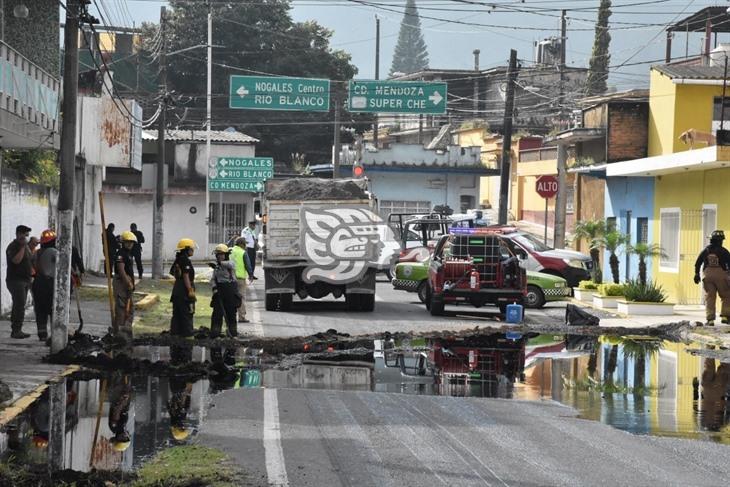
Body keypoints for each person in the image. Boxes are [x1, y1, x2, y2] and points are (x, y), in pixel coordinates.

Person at [694, 230, 730, 326]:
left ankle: (710, 320)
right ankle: (725, 317)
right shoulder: (725, 251)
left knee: (710, 297)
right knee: (726, 296)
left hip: (708, 276)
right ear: (721, 241)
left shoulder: (706, 250)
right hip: (722, 275)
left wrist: (696, 274)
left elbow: (698, 262)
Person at [5, 225, 33, 339]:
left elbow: (29, 259)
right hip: (15, 280)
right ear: (18, 234)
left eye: (27, 235)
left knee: (20, 305)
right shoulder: (13, 247)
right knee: (19, 305)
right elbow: (16, 261)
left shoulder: (25, 246)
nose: (25, 237)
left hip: (25, 280)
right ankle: (16, 330)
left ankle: (18, 329)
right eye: (24, 234)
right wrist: (22, 247)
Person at [209, 244, 241, 338]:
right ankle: (215, 333)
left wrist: (219, 263)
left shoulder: (230, 263)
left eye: (222, 254)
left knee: (231, 313)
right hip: (219, 292)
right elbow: (213, 279)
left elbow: (230, 265)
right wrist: (214, 288)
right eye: (218, 254)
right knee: (217, 314)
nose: (220, 256)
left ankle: (232, 333)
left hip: (230, 292)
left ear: (226, 255)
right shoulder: (216, 267)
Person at [32, 230, 58, 342]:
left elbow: (33, 265)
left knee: (40, 309)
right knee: (53, 308)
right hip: (50, 283)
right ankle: (55, 334)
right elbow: (62, 264)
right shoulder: (54, 252)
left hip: (38, 282)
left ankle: (42, 334)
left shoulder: (37, 253)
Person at [113, 231, 137, 342]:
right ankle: (120, 334)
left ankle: (126, 331)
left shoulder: (128, 254)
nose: (130, 244)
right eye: (127, 242)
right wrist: (128, 282)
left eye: (131, 242)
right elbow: (122, 271)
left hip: (127, 283)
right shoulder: (120, 254)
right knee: (121, 308)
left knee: (130, 308)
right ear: (123, 242)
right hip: (121, 283)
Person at [170, 238, 197, 337]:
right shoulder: (185, 260)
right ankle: (187, 335)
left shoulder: (178, 259)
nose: (193, 250)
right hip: (184, 291)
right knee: (187, 313)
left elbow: (174, 273)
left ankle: (175, 334)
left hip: (177, 290)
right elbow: (186, 276)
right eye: (191, 248)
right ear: (187, 249)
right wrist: (190, 290)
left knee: (177, 314)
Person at [230, 238, 250, 323]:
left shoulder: (229, 250)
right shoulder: (243, 253)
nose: (245, 246)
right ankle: (241, 317)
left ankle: (230, 317)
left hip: (230, 279)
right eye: (245, 244)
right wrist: (251, 275)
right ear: (241, 244)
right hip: (240, 279)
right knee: (241, 298)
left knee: (230, 298)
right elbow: (248, 265)